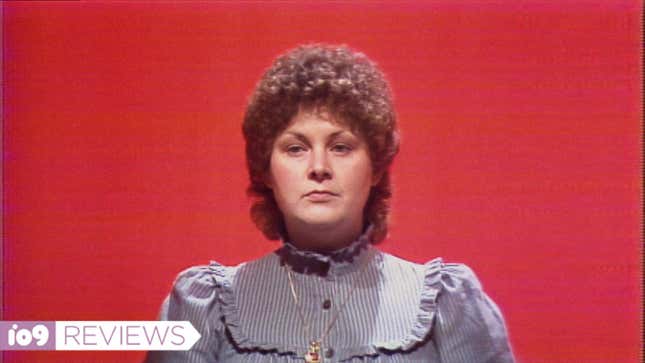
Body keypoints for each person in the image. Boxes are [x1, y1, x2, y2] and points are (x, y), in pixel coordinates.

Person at [145, 44, 516, 363]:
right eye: (295, 148)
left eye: (341, 147)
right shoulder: (203, 306)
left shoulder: (445, 304)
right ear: (266, 171)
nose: (319, 168)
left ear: (376, 167)